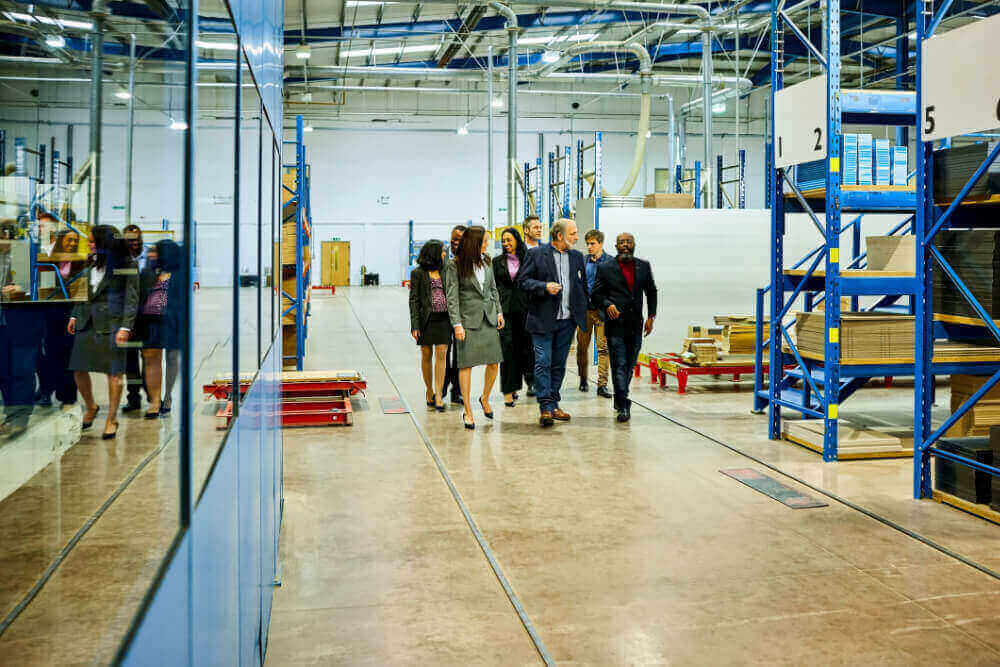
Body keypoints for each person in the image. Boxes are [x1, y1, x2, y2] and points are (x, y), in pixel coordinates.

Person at [68, 225, 140, 439]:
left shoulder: (128, 264)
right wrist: (74, 314)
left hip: (113, 325)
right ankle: (91, 406)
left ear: (104, 243)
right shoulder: (90, 262)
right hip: (86, 322)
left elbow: (132, 298)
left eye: (92, 241)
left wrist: (126, 327)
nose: (89, 244)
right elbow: (83, 291)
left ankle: (112, 419)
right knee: (78, 369)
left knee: (114, 373)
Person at [517, 219, 587, 427]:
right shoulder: (537, 254)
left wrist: (583, 310)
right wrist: (544, 286)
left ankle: (554, 403)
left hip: (567, 321)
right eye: (573, 233)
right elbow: (523, 281)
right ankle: (545, 407)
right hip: (542, 319)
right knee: (543, 362)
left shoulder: (576, 257)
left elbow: (581, 286)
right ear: (560, 235)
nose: (576, 237)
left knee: (558, 364)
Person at [591, 232, 658, 423]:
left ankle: (619, 399)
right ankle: (624, 405)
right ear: (616, 245)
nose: (625, 245)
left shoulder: (643, 266)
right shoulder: (605, 268)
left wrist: (651, 316)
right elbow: (596, 295)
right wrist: (607, 304)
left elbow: (651, 291)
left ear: (634, 244)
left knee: (629, 364)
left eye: (629, 242)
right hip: (615, 325)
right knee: (619, 365)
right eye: (622, 242)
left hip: (636, 324)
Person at [445, 226, 504, 430]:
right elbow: (452, 298)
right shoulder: (455, 266)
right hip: (468, 322)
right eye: (485, 241)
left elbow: (493, 288)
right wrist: (457, 324)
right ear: (474, 243)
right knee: (466, 365)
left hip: (488, 318)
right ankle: (468, 410)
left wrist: (498, 312)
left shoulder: (487, 261)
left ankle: (485, 398)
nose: (487, 244)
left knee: (495, 363)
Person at [137, 239, 183, 418]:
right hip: (151, 321)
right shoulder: (148, 272)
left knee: (172, 359)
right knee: (152, 360)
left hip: (172, 322)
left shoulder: (179, 274)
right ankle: (154, 400)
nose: (151, 255)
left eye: (156, 252)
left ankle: (168, 396)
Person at [36, 228, 81, 408]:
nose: (72, 244)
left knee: (69, 356)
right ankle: (47, 391)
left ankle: (67, 396)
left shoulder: (80, 262)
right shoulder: (50, 260)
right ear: (61, 241)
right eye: (69, 240)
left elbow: (81, 291)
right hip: (52, 310)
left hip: (71, 312)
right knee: (51, 353)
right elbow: (45, 286)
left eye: (75, 241)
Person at [0, 232, 36, 438]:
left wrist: (22, 289)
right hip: (2, 322)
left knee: (22, 370)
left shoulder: (25, 253)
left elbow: (42, 284)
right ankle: (10, 415)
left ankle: (20, 418)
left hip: (23, 321)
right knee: (3, 372)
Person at [408, 240, 451, 412]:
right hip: (426, 320)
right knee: (426, 354)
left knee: (442, 354)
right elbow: (414, 300)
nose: (444, 254)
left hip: (444, 319)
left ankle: (439, 394)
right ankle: (429, 390)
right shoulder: (418, 273)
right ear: (433, 253)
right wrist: (415, 325)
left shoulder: (445, 270)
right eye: (441, 251)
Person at [492, 227, 531, 407]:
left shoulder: (528, 259)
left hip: (525, 310)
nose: (506, 243)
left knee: (524, 349)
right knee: (507, 350)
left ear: (517, 239)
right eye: (504, 240)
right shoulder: (497, 261)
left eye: (509, 239)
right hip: (505, 311)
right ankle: (508, 391)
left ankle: (526, 383)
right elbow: (493, 288)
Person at [578, 229, 614, 397]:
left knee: (603, 349)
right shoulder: (583, 261)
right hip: (585, 311)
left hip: (601, 312)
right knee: (582, 347)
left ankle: (602, 385)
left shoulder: (611, 262)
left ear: (600, 243)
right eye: (588, 244)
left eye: (592, 244)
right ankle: (583, 380)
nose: (589, 247)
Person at [122, 224, 148, 412]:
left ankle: (153, 395)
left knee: (149, 358)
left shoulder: (150, 258)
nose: (133, 244)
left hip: (148, 317)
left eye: (136, 240)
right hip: (128, 318)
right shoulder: (120, 260)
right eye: (129, 241)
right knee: (129, 360)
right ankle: (133, 397)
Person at [441, 224, 466, 405]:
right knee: (444, 353)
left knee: (460, 355)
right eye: (453, 240)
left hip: (463, 316)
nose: (455, 243)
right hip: (443, 316)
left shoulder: (470, 265)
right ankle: (442, 386)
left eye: (459, 240)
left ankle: (457, 390)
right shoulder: (444, 263)